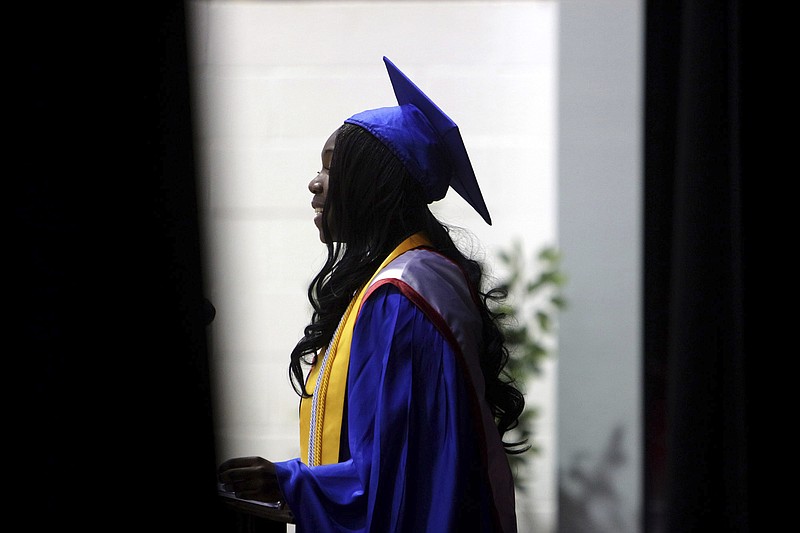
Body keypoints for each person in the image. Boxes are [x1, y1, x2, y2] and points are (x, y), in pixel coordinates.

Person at [218, 56, 527, 532]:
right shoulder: (407, 280)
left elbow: (399, 482)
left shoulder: (404, 298)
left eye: (331, 169)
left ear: (373, 184)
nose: (314, 183)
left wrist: (288, 484)